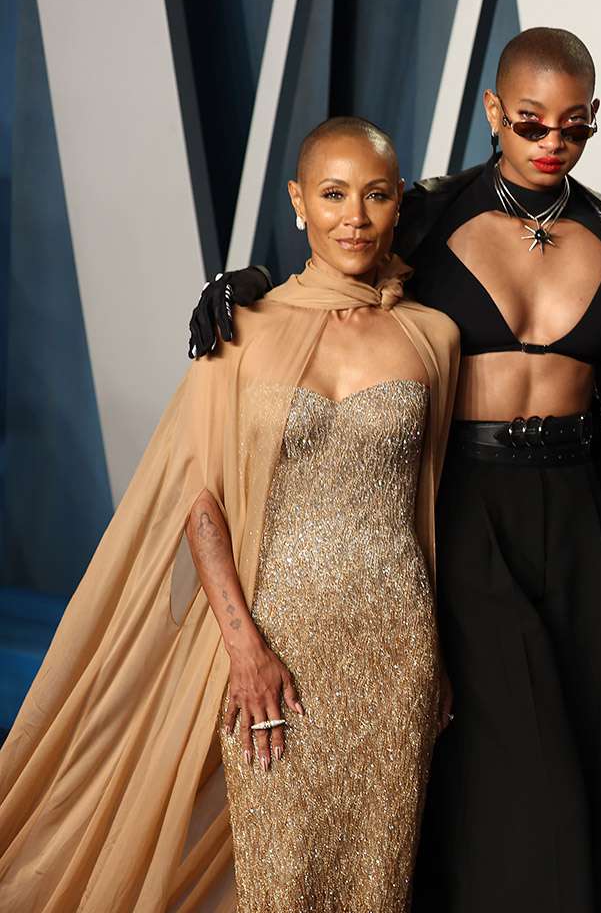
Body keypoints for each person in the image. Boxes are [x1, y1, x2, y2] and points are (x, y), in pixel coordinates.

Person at [186, 29, 601, 913]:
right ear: (495, 112)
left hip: (577, 510)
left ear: (594, 121)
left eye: (573, 128)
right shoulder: (426, 212)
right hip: (464, 507)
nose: (550, 144)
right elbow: (341, 254)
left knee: (586, 739)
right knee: (516, 758)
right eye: (530, 124)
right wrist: (250, 280)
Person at [0, 116, 461, 912]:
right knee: (276, 868)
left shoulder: (434, 338)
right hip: (272, 640)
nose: (354, 216)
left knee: (376, 875)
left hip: (395, 643)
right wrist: (244, 645)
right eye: (332, 193)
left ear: (398, 205)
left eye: (376, 195)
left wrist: (441, 656)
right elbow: (199, 501)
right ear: (298, 203)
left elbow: (433, 500)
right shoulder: (239, 331)